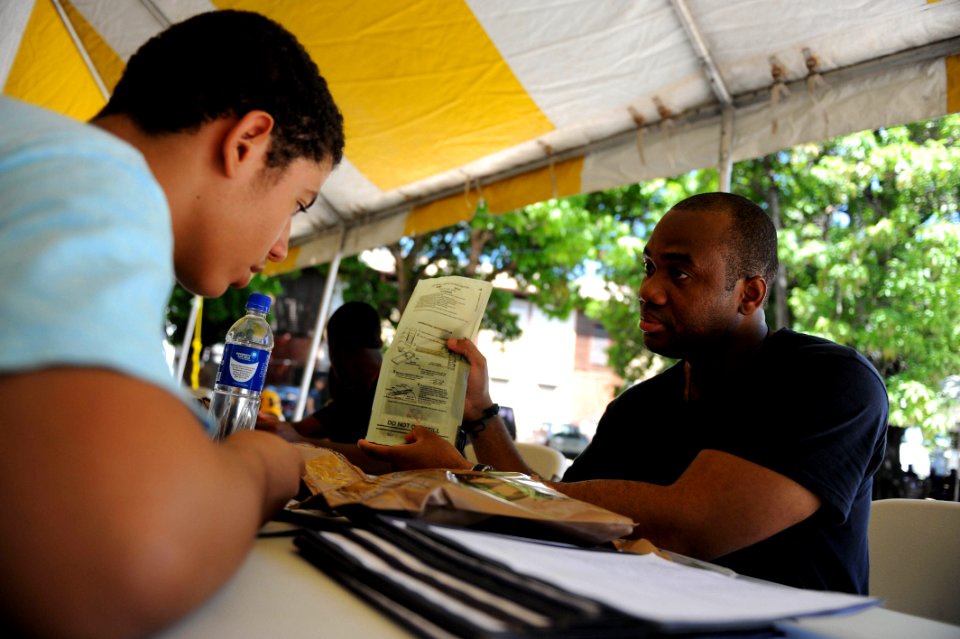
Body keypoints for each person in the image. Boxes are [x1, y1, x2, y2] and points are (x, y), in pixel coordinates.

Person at [0, 10, 344, 638]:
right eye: (295, 204)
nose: (278, 251)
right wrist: (266, 463)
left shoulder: (32, 158)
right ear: (248, 142)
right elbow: (116, 562)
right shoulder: (98, 179)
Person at [359, 192, 889, 595]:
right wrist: (479, 412)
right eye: (649, 267)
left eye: (679, 273)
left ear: (749, 293)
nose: (648, 290)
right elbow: (554, 508)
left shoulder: (830, 382)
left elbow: (693, 524)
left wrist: (469, 480)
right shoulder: (639, 407)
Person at [257, 301, 390, 472]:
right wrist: (271, 424)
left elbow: (386, 459)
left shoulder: (389, 394)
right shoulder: (352, 398)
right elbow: (300, 429)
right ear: (379, 341)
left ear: (333, 349)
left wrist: (301, 441)